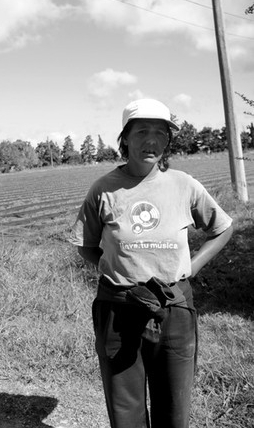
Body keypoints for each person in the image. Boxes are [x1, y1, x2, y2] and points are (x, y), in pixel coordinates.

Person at [70, 98, 234, 428]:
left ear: (168, 141)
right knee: (125, 408)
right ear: (125, 139)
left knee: (173, 408)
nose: (152, 140)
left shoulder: (183, 185)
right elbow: (86, 247)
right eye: (142, 131)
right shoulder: (103, 189)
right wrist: (120, 267)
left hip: (172, 308)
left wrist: (194, 265)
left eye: (161, 132)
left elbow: (223, 227)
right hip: (118, 307)